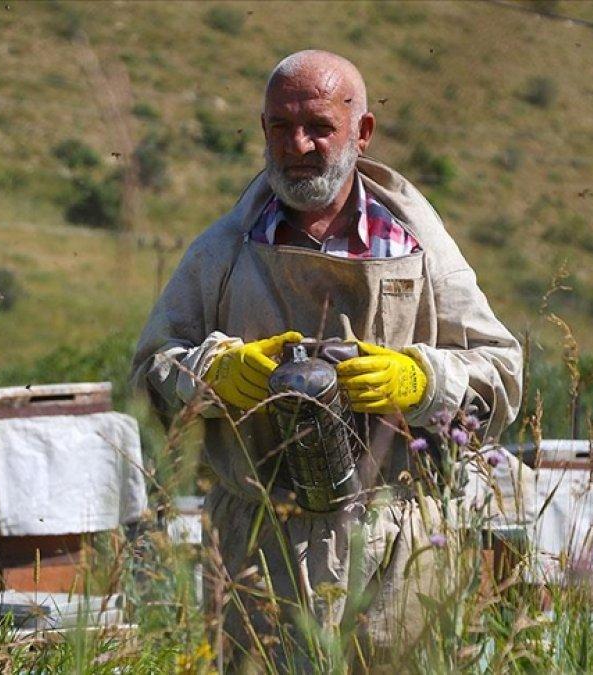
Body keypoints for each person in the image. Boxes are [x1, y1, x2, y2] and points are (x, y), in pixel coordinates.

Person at [131, 50, 523, 667]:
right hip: (257, 548)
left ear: (362, 133)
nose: (299, 145)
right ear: (263, 132)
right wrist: (212, 374)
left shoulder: (421, 249)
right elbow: (149, 372)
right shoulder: (220, 253)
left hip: (399, 550)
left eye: (318, 126)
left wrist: (421, 380)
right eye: (281, 127)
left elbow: (501, 371)